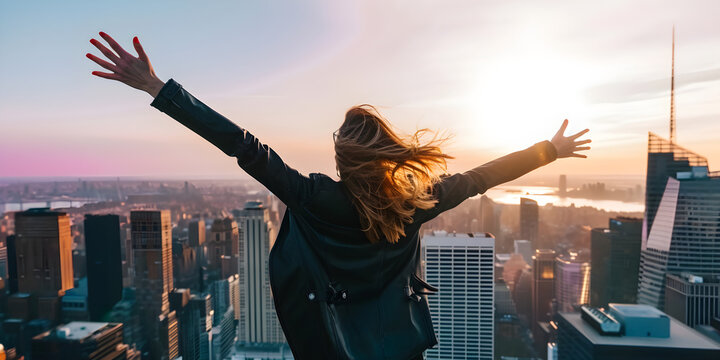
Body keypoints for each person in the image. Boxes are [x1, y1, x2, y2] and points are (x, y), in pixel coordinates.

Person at [87, 32, 590, 359]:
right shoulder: (416, 203)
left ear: (342, 158)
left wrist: (158, 88)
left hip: (331, 347)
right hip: (400, 345)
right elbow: (482, 176)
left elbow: (245, 147)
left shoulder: (312, 198)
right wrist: (548, 150)